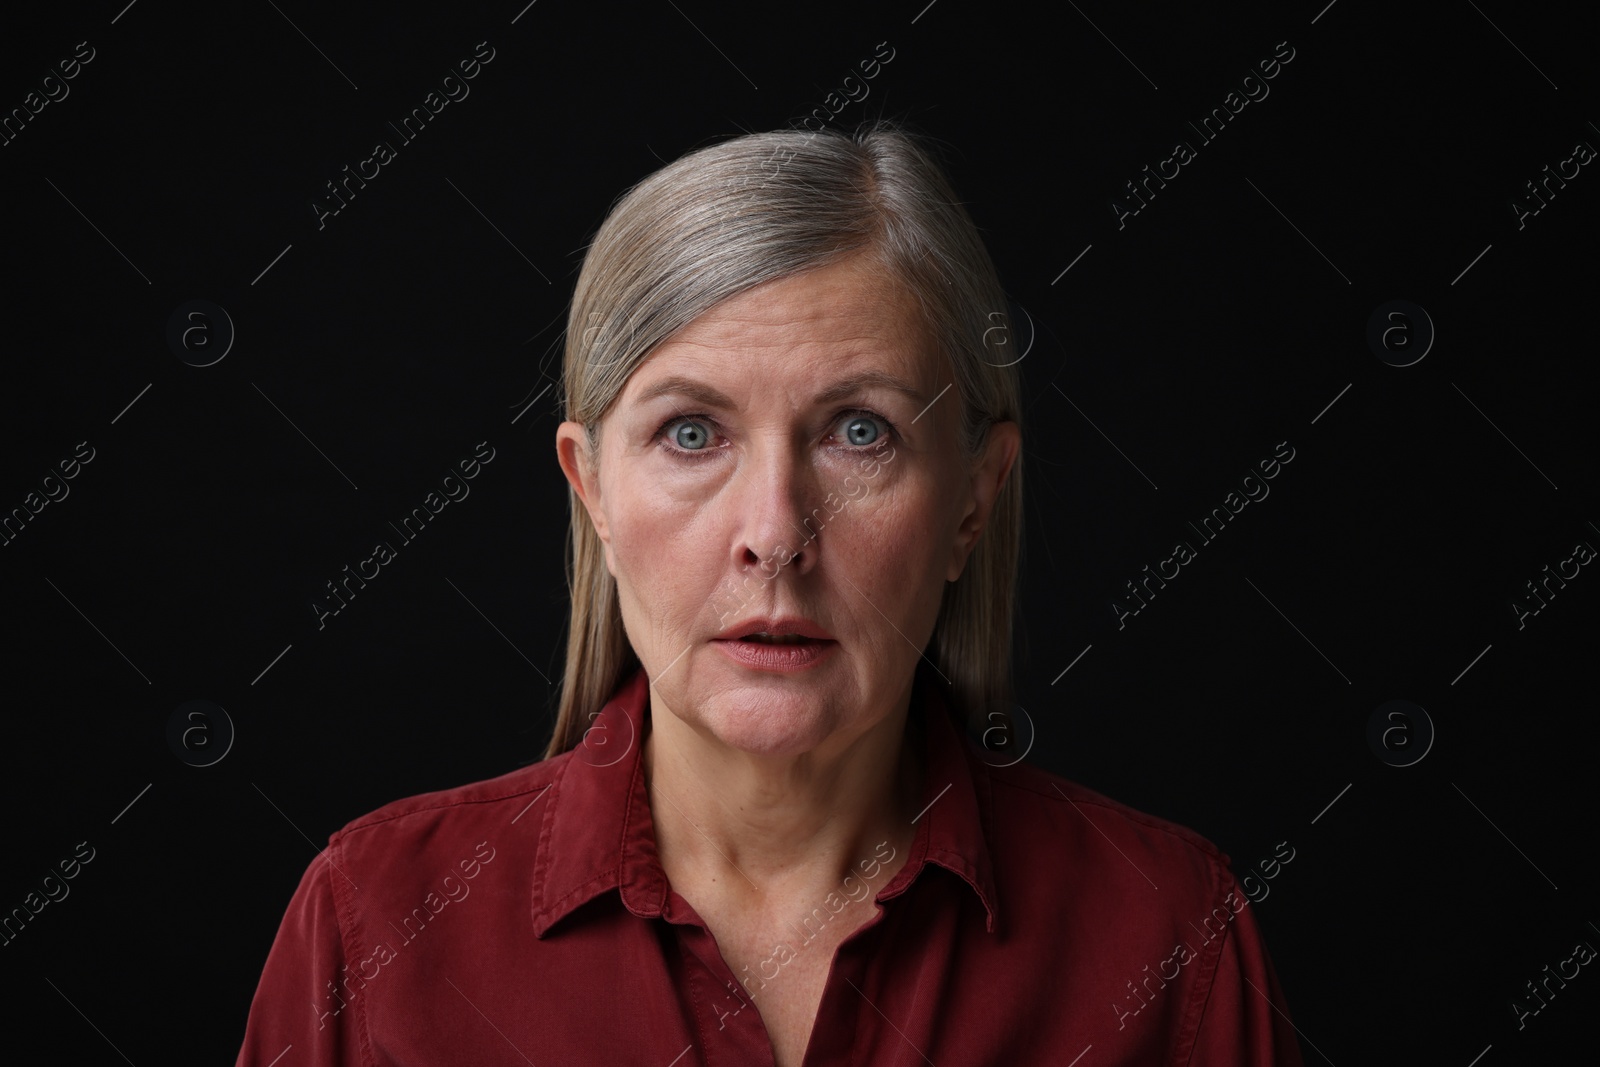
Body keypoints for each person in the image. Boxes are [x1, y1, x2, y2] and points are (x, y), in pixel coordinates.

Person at [235, 121, 1304, 1066]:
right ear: (592, 487)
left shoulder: (1167, 936)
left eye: (858, 433)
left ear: (972, 498)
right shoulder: (373, 923)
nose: (774, 536)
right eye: (690, 433)